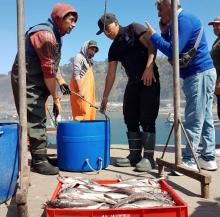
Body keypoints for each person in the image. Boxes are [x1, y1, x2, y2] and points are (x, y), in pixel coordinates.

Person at [146, 0, 217, 171]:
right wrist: (163, 33)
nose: (158, 14)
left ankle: (190, 160)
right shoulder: (178, 22)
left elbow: (173, 50)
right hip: (201, 73)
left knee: (194, 117)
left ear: (170, 4)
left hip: (198, 74)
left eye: (160, 8)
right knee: (205, 116)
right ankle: (207, 157)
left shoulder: (184, 19)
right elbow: (171, 45)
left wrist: (154, 35)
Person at [11, 2, 78, 175]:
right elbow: (48, 72)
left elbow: (53, 66)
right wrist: (56, 98)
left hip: (38, 79)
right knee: (34, 113)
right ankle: (39, 161)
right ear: (59, 18)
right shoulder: (46, 35)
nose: (74, 24)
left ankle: (40, 155)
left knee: (38, 113)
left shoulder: (55, 35)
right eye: (71, 20)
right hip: (28, 79)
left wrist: (62, 82)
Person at [97, 13, 160, 172]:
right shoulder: (114, 48)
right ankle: (134, 155)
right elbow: (111, 74)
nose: (106, 33)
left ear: (116, 23)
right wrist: (105, 97)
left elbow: (152, 44)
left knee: (147, 117)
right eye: (103, 31)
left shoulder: (133, 28)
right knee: (129, 116)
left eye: (107, 28)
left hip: (149, 77)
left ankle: (149, 158)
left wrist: (149, 68)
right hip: (132, 82)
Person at [70, 40, 99, 120]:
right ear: (86, 48)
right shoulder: (79, 57)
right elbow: (76, 74)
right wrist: (80, 90)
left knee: (90, 114)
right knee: (82, 113)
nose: (93, 52)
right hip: (81, 93)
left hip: (89, 95)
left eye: (95, 51)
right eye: (92, 49)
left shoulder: (88, 61)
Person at [208, 17, 220, 157]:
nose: (216, 28)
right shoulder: (217, 41)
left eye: (218, 26)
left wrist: (219, 81)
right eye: (214, 26)